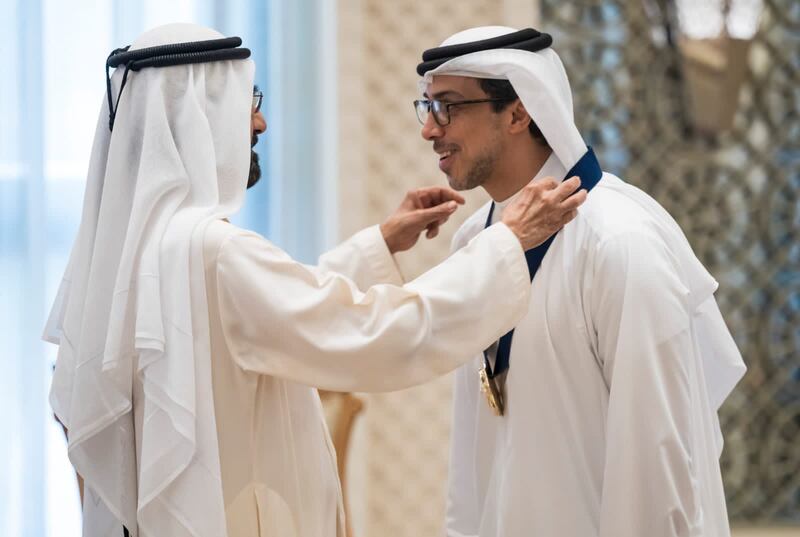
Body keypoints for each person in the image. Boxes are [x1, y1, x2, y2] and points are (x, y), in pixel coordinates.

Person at [43, 23, 587, 537]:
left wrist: (381, 242)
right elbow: (369, 332)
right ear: (196, 117)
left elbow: (273, 315)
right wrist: (506, 243)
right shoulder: (211, 249)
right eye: (247, 103)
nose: (258, 124)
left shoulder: (141, 251)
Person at [414, 26, 747, 537]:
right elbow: (471, 452)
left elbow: (655, 459)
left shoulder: (618, 241)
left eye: (449, 107)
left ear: (518, 112)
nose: (430, 130)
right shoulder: (473, 241)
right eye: (428, 107)